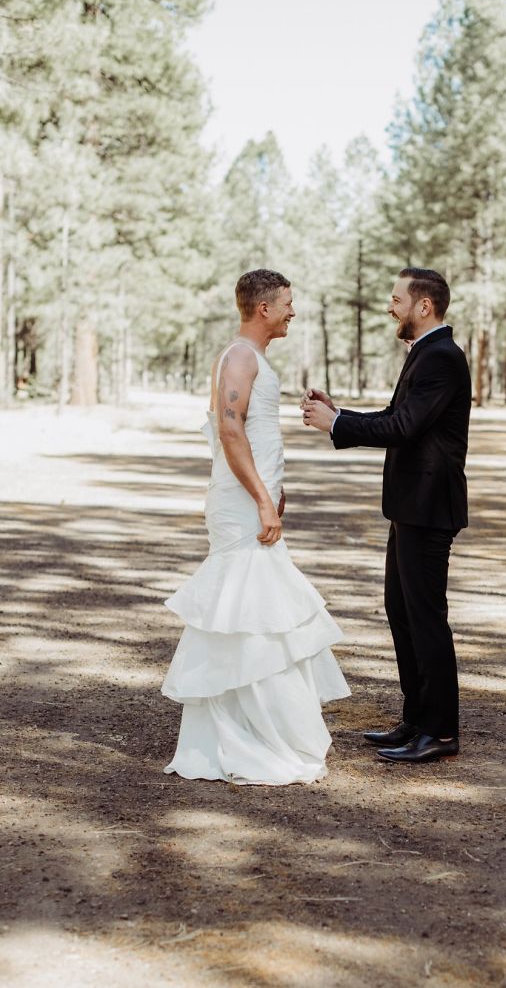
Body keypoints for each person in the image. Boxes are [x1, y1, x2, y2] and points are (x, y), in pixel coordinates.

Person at [161, 269, 350, 785]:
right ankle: (255, 736)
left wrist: (274, 487)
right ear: (263, 307)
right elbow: (229, 427)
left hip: (253, 497)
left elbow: (256, 434)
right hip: (243, 506)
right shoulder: (241, 356)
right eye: (288, 303)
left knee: (256, 612)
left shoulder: (253, 358)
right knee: (253, 612)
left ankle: (250, 729)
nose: (293, 311)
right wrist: (263, 500)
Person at [302, 268, 470, 764]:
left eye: (397, 299)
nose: (390, 306)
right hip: (409, 508)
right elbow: (401, 420)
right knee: (403, 615)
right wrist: (344, 414)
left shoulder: (441, 357)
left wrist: (336, 424)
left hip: (428, 508)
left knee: (426, 620)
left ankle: (439, 732)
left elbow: (404, 426)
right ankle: (416, 720)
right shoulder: (426, 353)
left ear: (424, 306)